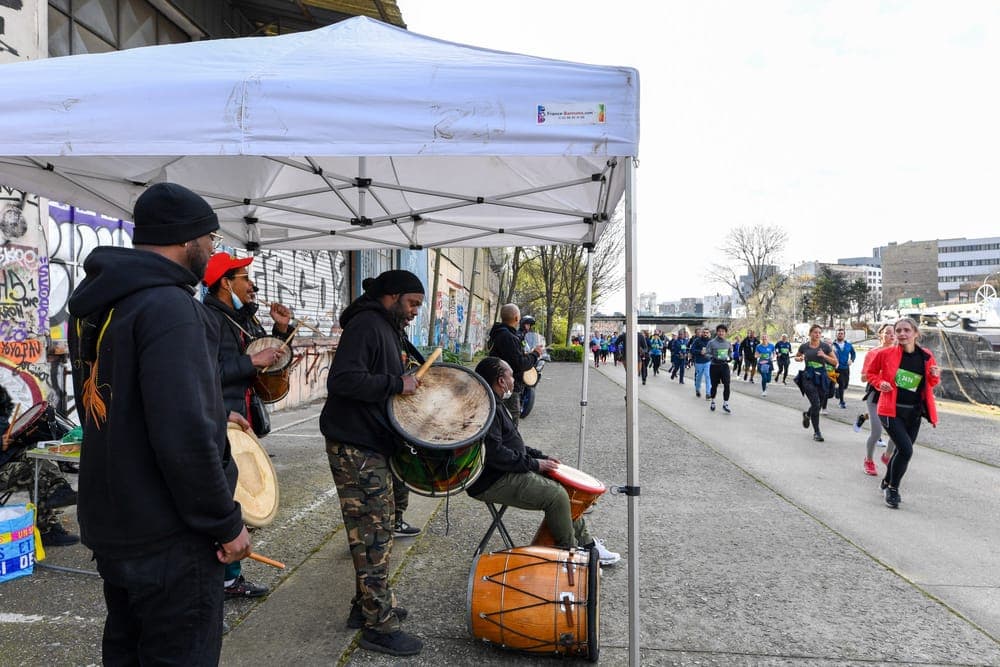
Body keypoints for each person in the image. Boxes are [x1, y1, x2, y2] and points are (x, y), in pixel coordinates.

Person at [67, 182, 251, 665]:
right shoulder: (171, 309)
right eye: (210, 238)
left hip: (117, 524)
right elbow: (184, 438)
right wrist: (225, 523)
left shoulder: (99, 302)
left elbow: (127, 401)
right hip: (170, 537)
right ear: (187, 238)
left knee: (127, 652)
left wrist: (213, 408)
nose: (212, 250)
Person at [320, 269, 426, 656]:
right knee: (374, 534)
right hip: (354, 445)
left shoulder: (386, 326)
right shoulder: (366, 324)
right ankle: (377, 626)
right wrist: (397, 384)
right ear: (392, 296)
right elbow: (343, 380)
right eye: (412, 303)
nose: (415, 312)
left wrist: (404, 378)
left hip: (368, 442)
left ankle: (363, 605)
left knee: (371, 533)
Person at [202, 252, 295, 599]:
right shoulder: (208, 319)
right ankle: (225, 578)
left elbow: (265, 356)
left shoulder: (239, 317)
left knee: (235, 496)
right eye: (244, 278)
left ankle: (228, 575)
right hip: (219, 419)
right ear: (226, 283)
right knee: (226, 496)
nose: (252, 285)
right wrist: (249, 362)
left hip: (239, 415)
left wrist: (281, 330)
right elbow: (205, 373)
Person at [468, 357, 620, 565]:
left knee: (567, 491)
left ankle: (587, 545)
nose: (515, 379)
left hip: (505, 472)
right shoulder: (489, 408)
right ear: (501, 381)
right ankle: (570, 553)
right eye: (511, 375)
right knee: (557, 496)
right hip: (493, 480)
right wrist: (535, 464)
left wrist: (540, 457)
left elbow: (513, 445)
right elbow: (495, 454)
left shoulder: (495, 401)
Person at [866, 317, 940, 509]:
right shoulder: (886, 353)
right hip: (890, 410)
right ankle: (893, 489)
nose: (901, 334)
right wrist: (879, 383)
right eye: (898, 331)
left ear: (916, 333)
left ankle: (886, 482)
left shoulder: (926, 355)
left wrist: (934, 376)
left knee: (900, 450)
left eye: (906, 330)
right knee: (906, 450)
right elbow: (871, 373)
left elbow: (931, 384)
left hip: (914, 412)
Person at [0, 390, 80, 547]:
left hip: (5, 461)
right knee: (34, 470)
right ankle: (47, 528)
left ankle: (58, 492)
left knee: (35, 455)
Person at [487, 304, 545, 428]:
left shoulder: (498, 333)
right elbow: (520, 364)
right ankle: (511, 445)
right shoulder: (508, 336)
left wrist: (526, 354)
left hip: (497, 383)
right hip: (507, 386)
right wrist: (535, 354)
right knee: (511, 418)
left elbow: (510, 357)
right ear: (517, 318)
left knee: (499, 418)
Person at [856, 323, 897, 476]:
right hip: (875, 394)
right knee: (877, 431)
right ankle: (869, 460)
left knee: (896, 432)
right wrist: (878, 372)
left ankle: (887, 456)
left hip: (893, 394)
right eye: (887, 333)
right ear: (881, 334)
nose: (891, 336)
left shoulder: (899, 353)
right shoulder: (873, 353)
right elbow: (862, 377)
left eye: (894, 333)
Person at [794, 324, 839, 442]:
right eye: (815, 332)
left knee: (819, 403)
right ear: (810, 334)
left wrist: (824, 356)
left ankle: (807, 414)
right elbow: (797, 356)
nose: (817, 334)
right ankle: (817, 432)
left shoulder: (825, 347)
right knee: (815, 403)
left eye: (819, 332)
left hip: (822, 377)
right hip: (808, 377)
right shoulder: (804, 346)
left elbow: (835, 362)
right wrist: (798, 359)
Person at [706, 324, 733, 413]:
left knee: (727, 384)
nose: (721, 333)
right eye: (719, 331)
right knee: (714, 385)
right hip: (714, 366)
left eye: (723, 331)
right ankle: (713, 402)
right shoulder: (711, 342)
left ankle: (725, 403)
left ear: (725, 333)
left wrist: (730, 357)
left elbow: (730, 353)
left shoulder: (728, 343)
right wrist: (712, 357)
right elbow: (707, 354)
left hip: (724, 365)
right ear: (717, 332)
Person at [832, 328, 857, 409]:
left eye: (841, 333)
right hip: (836, 368)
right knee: (842, 384)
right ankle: (842, 402)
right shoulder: (832, 345)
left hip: (846, 368)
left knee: (845, 385)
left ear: (844, 335)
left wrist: (851, 360)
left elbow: (853, 354)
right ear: (836, 335)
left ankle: (837, 390)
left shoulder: (848, 345)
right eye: (838, 333)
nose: (840, 335)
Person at [689, 328, 712, 400]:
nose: (705, 334)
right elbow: (692, 350)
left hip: (707, 361)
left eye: (707, 333)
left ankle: (708, 393)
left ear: (709, 333)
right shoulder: (697, 340)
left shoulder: (711, 341)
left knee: (708, 376)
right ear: (702, 333)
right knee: (699, 377)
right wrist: (700, 352)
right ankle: (697, 389)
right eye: (704, 332)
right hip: (699, 362)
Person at [756, 333, 775, 397]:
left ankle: (766, 384)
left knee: (768, 379)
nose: (764, 339)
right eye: (763, 338)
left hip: (769, 363)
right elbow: (755, 355)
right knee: (764, 377)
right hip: (761, 364)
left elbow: (774, 353)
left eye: (765, 338)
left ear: (768, 338)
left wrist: (773, 357)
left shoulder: (771, 346)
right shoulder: (758, 346)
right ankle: (764, 391)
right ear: (761, 339)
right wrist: (759, 355)